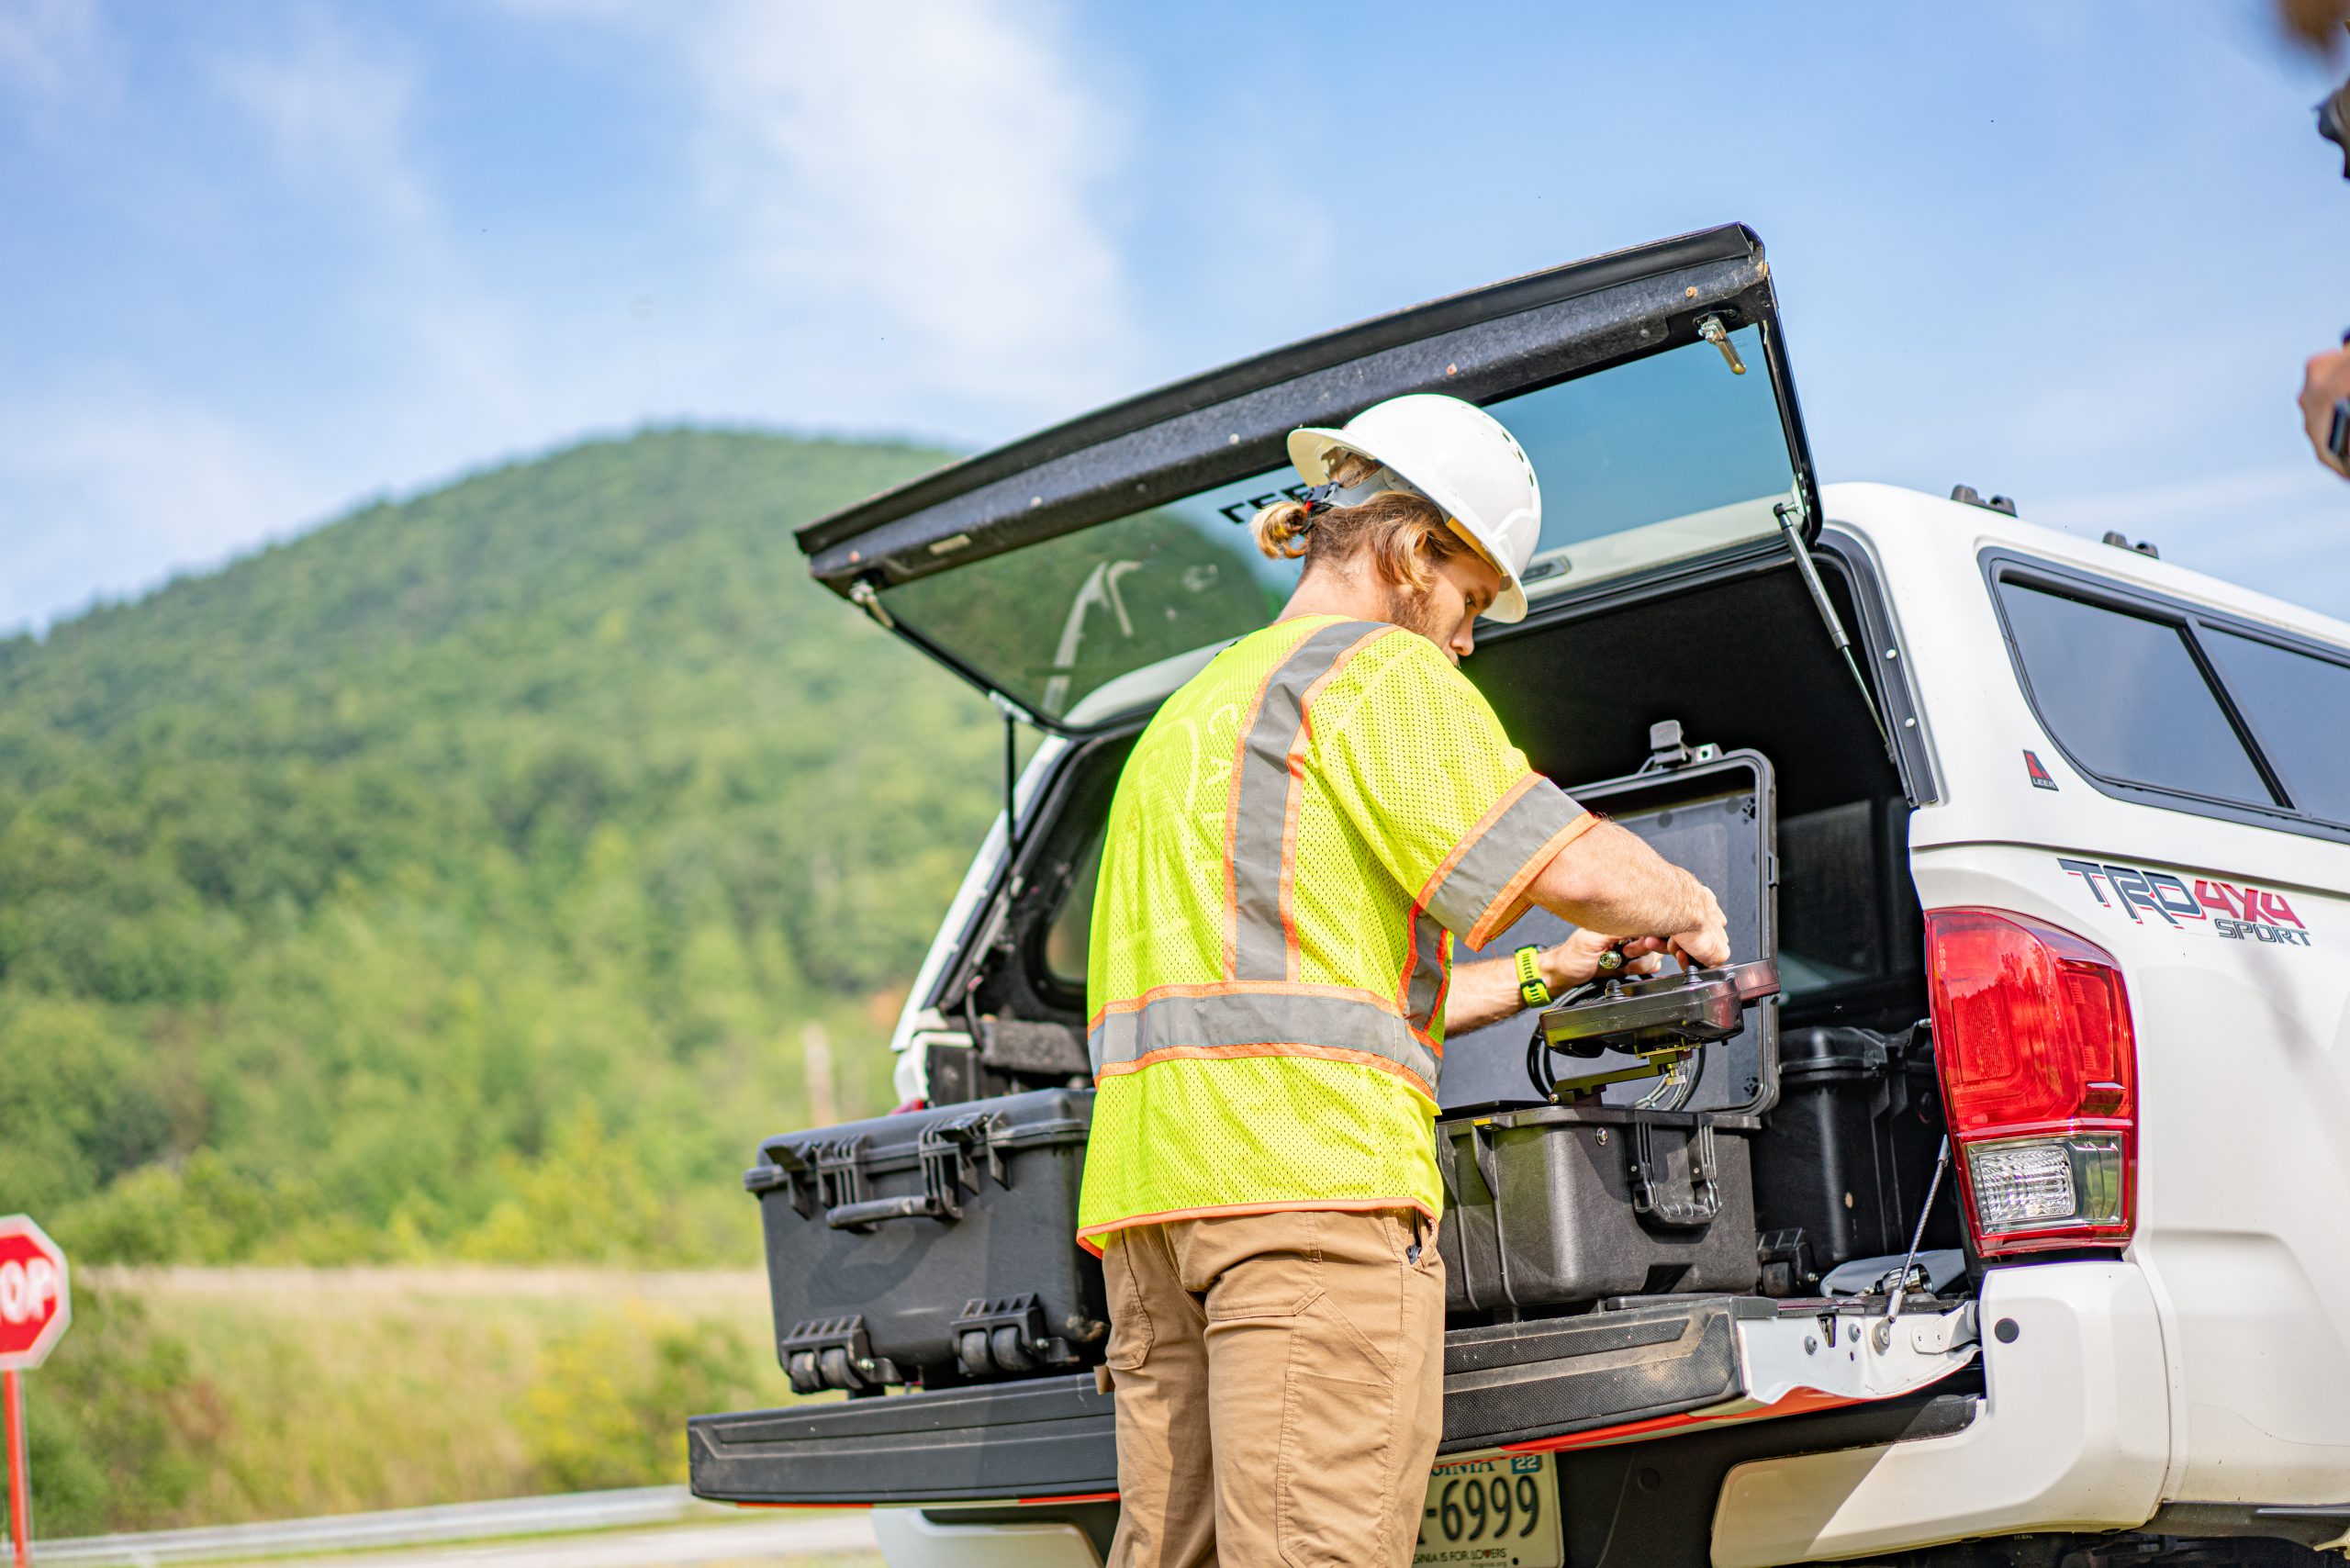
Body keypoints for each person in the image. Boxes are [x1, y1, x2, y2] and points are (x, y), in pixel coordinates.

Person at [1078, 391, 1731, 1568]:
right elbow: (1575, 864)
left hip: (1154, 1216)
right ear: (1408, 549)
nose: (1469, 638)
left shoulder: (1194, 710)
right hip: (1304, 1200)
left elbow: (1314, 993)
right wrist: (1690, 907)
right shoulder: (1373, 674)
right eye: (1471, 598)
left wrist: (1540, 975)